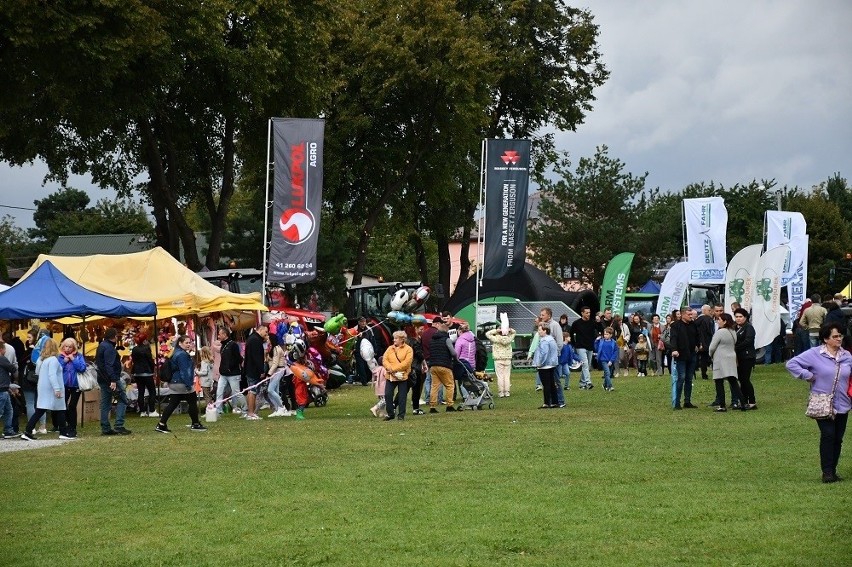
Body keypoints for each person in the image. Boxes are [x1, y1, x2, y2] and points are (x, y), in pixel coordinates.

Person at [786, 322, 851, 483]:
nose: (839, 339)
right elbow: (791, 364)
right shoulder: (814, 354)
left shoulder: (847, 356)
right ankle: (827, 472)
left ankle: (833, 470)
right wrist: (807, 375)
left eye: (840, 336)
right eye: (835, 336)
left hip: (843, 403)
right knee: (828, 435)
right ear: (825, 339)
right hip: (822, 403)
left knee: (838, 438)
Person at [21, 339, 75, 441]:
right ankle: (63, 432)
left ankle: (28, 431)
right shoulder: (53, 360)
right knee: (60, 409)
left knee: (41, 410)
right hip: (52, 388)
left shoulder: (41, 359)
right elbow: (52, 375)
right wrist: (57, 388)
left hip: (42, 388)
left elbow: (37, 371)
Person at [155, 335, 207, 433]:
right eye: (186, 342)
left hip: (174, 382)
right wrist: (188, 384)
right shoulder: (182, 355)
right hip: (181, 382)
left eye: (190, 342)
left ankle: (161, 424)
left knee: (173, 403)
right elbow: (184, 371)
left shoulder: (176, 353)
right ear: (180, 343)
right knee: (192, 401)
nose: (188, 344)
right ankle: (195, 424)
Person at [95, 328, 132, 435]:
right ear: (114, 336)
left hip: (102, 378)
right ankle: (119, 425)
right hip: (110, 378)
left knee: (105, 403)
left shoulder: (102, 345)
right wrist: (113, 380)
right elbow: (109, 365)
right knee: (122, 399)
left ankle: (105, 427)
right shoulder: (109, 348)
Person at [708, 313, 742, 412]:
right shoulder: (733, 331)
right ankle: (743, 403)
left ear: (725, 321)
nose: (718, 321)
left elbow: (712, 347)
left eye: (719, 320)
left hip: (720, 359)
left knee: (719, 382)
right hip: (731, 358)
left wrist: (710, 354)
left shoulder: (720, 332)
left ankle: (722, 405)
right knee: (733, 382)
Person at [428, 318, 460, 413]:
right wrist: (455, 357)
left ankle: (432, 406)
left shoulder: (432, 340)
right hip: (445, 365)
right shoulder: (447, 340)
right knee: (450, 385)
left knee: (434, 386)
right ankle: (449, 405)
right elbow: (453, 353)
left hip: (433, 366)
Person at [670, 308, 698, 409]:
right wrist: (674, 349)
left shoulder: (693, 325)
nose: (691, 316)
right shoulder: (675, 325)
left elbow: (697, 336)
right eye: (689, 314)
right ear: (682, 315)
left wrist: (698, 344)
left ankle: (687, 401)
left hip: (692, 355)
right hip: (681, 355)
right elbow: (673, 338)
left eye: (692, 314)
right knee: (681, 378)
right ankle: (677, 402)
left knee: (689, 379)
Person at [58, 338, 87, 437]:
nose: (68, 349)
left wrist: (73, 360)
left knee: (72, 406)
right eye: (66, 346)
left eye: (70, 347)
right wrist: (64, 361)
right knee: (63, 406)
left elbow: (82, 368)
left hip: (76, 385)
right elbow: (57, 369)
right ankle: (65, 425)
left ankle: (72, 427)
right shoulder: (60, 357)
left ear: (74, 347)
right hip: (64, 385)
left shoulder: (78, 356)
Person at [382, 331, 413, 421]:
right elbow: (384, 360)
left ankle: (401, 415)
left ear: (402, 339)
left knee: (402, 396)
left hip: (402, 376)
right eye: (394, 338)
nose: (394, 340)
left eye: (396, 338)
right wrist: (390, 369)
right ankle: (390, 413)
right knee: (388, 394)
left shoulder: (408, 349)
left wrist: (394, 369)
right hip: (390, 376)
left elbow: (407, 363)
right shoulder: (389, 348)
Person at [215, 327, 245, 415]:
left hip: (233, 374)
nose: (218, 336)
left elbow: (238, 358)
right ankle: (218, 410)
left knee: (236, 392)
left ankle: (245, 408)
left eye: (220, 334)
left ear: (225, 334)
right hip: (223, 374)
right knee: (219, 392)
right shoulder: (223, 345)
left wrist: (230, 367)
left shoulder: (233, 345)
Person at [733, 308, 758, 411]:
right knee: (741, 380)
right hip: (738, 357)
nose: (738, 319)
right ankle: (743, 400)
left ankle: (752, 401)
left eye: (740, 317)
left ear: (745, 317)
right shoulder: (735, 327)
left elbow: (748, 341)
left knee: (745, 379)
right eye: (737, 317)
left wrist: (736, 347)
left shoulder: (749, 328)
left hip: (747, 357)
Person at [243, 324, 269, 420]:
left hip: (250, 368)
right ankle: (250, 412)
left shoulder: (252, 338)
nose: (266, 334)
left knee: (252, 390)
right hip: (253, 369)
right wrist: (261, 370)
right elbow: (256, 357)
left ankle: (251, 412)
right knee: (252, 391)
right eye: (265, 332)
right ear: (260, 330)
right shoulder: (255, 340)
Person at [131, 333, 158, 418]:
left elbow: (134, 361)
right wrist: (152, 369)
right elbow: (150, 360)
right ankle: (152, 410)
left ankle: (142, 411)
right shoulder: (146, 349)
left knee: (141, 392)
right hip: (147, 372)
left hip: (137, 373)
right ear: (144, 340)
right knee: (152, 391)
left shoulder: (134, 349)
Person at [533, 324, 560, 407]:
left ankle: (546, 403)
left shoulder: (544, 340)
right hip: (551, 364)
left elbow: (543, 353)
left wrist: (540, 363)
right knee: (552, 384)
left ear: (545, 330)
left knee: (546, 384)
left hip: (545, 365)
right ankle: (555, 402)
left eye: (540, 330)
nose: (538, 332)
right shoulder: (551, 339)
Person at [571, 307, 597, 390]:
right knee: (585, 364)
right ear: (582, 313)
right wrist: (574, 344)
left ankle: (582, 383)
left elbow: (600, 329)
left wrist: (599, 322)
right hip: (580, 346)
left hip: (590, 346)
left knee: (587, 365)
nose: (588, 314)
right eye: (586, 313)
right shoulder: (577, 323)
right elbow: (571, 333)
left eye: (589, 312)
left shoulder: (592, 322)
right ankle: (588, 382)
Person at [486, 325, 516, 397]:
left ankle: (501, 392)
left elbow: (487, 334)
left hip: (498, 359)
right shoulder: (509, 338)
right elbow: (514, 332)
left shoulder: (496, 338)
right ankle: (507, 392)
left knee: (500, 376)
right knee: (506, 375)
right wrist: (510, 330)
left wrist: (496, 331)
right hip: (507, 358)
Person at [265, 335, 291, 417]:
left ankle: (281, 407)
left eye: (268, 338)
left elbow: (275, 363)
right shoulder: (272, 348)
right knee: (274, 391)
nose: (267, 339)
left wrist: (269, 374)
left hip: (278, 371)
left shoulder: (276, 349)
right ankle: (277, 409)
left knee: (270, 390)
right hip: (275, 371)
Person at [407, 325, 426, 414]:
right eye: (421, 329)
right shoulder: (415, 341)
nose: (423, 331)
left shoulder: (410, 341)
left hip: (410, 367)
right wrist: (424, 362)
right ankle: (416, 408)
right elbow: (419, 354)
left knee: (406, 388)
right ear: (416, 329)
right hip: (415, 367)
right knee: (416, 388)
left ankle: (395, 405)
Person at [0, 350, 18, 439]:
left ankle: (8, 430)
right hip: (2, 389)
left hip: (4, 389)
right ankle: (8, 430)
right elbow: (13, 368)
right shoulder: (2, 358)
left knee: (8, 410)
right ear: (1, 350)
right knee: (2, 411)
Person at [695, 305, 715, 380]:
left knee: (699, 358)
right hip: (707, 342)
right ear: (704, 310)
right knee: (705, 358)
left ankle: (699, 373)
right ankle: (705, 374)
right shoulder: (708, 319)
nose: (710, 312)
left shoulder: (697, 320)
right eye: (709, 310)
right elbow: (710, 331)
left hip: (699, 342)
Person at [596, 327, 619, 392]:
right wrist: (596, 341)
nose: (605, 335)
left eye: (607, 334)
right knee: (607, 373)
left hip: (611, 360)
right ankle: (610, 386)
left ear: (611, 335)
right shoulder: (601, 341)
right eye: (604, 334)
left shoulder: (614, 342)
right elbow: (596, 348)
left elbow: (615, 352)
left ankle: (604, 385)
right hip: (603, 360)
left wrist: (611, 361)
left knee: (608, 374)